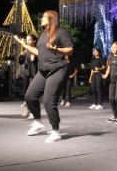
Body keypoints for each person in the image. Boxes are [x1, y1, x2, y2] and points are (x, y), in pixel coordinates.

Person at [13, 10, 73, 143]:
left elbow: (70, 49)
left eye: (44, 17)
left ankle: (56, 131)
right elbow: (39, 52)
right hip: (43, 71)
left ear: (51, 19)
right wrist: (23, 44)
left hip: (57, 69)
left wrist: (56, 49)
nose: (41, 19)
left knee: (48, 100)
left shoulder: (60, 32)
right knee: (29, 96)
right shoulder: (43, 34)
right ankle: (38, 122)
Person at [102, 42, 117, 124]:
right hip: (112, 80)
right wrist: (105, 75)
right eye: (112, 47)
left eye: (115, 47)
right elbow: (108, 69)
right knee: (111, 99)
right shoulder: (109, 58)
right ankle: (115, 116)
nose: (113, 48)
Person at [18, 34, 38, 119]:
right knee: (26, 93)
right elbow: (21, 62)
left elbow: (36, 61)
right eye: (27, 40)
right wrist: (21, 55)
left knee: (32, 94)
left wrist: (34, 58)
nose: (28, 42)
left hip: (34, 73)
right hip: (26, 73)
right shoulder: (25, 50)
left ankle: (33, 112)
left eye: (30, 40)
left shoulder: (36, 50)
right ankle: (27, 109)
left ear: (34, 41)